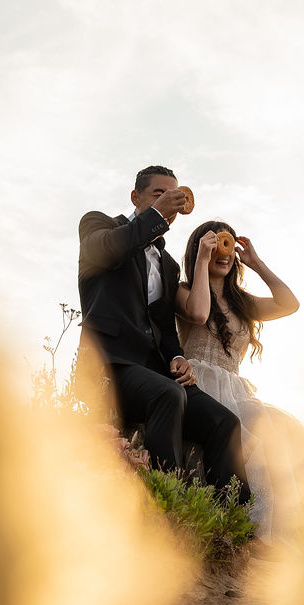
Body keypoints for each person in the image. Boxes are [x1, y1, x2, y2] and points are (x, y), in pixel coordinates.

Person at [77, 166, 251, 501]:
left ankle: (230, 517)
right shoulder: (99, 225)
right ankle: (169, 502)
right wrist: (157, 214)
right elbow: (110, 249)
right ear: (135, 198)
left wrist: (177, 356)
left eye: (175, 195)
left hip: (157, 371)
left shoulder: (168, 265)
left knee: (224, 422)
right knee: (167, 395)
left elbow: (165, 328)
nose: (170, 201)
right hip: (111, 366)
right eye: (159, 194)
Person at [176, 221, 304, 543]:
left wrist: (256, 263)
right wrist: (202, 258)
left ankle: (299, 530)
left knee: (286, 428)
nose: (221, 253)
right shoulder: (185, 291)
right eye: (213, 245)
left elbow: (289, 304)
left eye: (225, 246)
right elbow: (199, 315)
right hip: (200, 385)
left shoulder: (243, 303)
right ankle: (254, 532)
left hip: (236, 389)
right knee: (253, 436)